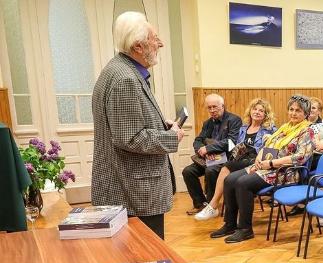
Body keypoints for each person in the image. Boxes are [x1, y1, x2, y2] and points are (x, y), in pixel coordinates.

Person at [91, 12, 184, 239]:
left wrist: (160, 124)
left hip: (128, 189)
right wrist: (172, 136)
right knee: (146, 254)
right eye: (154, 38)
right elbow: (130, 138)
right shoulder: (126, 79)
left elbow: (126, 124)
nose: (160, 43)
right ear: (138, 46)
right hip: (133, 193)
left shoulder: (119, 69)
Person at [209, 95, 314, 243]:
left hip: (285, 172)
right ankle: (230, 224)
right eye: (291, 109)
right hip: (267, 166)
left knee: (243, 183)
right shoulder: (285, 127)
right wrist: (259, 158)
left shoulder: (307, 131)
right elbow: (268, 145)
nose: (293, 113)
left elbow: (300, 157)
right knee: (230, 179)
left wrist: (271, 163)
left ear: (306, 114)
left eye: (298, 111)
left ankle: (245, 229)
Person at [195, 98, 276, 221]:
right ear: (250, 111)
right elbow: (235, 147)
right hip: (241, 159)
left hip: (256, 162)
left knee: (227, 167)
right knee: (227, 171)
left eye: (261, 111)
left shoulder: (271, 130)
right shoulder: (243, 128)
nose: (257, 112)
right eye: (255, 109)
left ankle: (213, 206)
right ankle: (222, 214)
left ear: (266, 114)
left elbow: (272, 152)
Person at [182, 94, 242, 216]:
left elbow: (231, 142)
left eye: (215, 107)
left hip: (227, 159)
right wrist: (203, 152)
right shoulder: (207, 123)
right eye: (209, 107)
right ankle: (200, 204)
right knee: (188, 171)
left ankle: (211, 206)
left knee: (210, 170)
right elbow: (198, 140)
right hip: (209, 158)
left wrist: (208, 149)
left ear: (222, 106)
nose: (212, 110)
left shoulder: (234, 120)